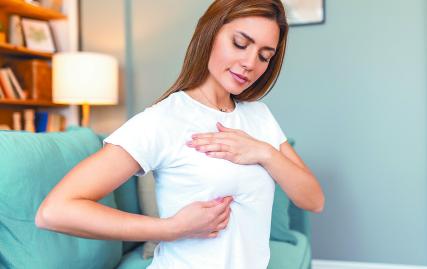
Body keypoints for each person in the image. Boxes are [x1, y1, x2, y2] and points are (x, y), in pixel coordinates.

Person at [35, 0, 324, 268]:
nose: (251, 63)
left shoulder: (259, 116)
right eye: (240, 43)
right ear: (209, 33)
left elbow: (313, 200)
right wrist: (171, 228)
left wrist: (263, 152)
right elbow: (55, 211)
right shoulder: (164, 120)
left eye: (264, 56)